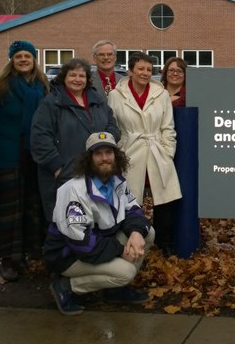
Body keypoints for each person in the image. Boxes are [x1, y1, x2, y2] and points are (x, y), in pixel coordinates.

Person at [44, 132, 154, 315]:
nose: (105, 158)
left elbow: (133, 210)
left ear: (116, 156)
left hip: (100, 243)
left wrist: (135, 232)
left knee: (147, 232)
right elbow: (82, 243)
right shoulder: (74, 190)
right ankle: (66, 286)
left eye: (109, 152)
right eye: (98, 154)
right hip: (69, 255)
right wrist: (120, 251)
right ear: (88, 158)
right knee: (125, 271)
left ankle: (115, 289)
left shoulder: (117, 182)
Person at [0, 40, 50, 282]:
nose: (23, 60)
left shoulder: (42, 86)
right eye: (18, 56)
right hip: (8, 153)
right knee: (11, 207)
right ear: (12, 60)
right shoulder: (1, 87)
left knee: (32, 203)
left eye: (27, 56)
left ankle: (30, 252)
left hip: (34, 154)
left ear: (33, 59)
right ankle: (9, 259)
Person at [108, 52, 182, 256]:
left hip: (157, 150)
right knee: (131, 198)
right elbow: (112, 125)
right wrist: (118, 152)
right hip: (130, 151)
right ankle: (131, 241)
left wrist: (167, 151)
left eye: (149, 69)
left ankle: (164, 242)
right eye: (140, 69)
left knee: (164, 199)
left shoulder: (161, 94)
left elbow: (168, 127)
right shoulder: (116, 95)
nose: (145, 73)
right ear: (130, 71)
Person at [31, 58, 120, 222]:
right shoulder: (52, 103)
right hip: (65, 173)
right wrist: (57, 167)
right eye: (73, 75)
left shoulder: (98, 101)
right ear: (64, 77)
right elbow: (40, 137)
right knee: (67, 219)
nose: (77, 80)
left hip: (96, 170)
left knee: (96, 218)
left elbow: (112, 126)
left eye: (82, 76)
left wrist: (105, 144)